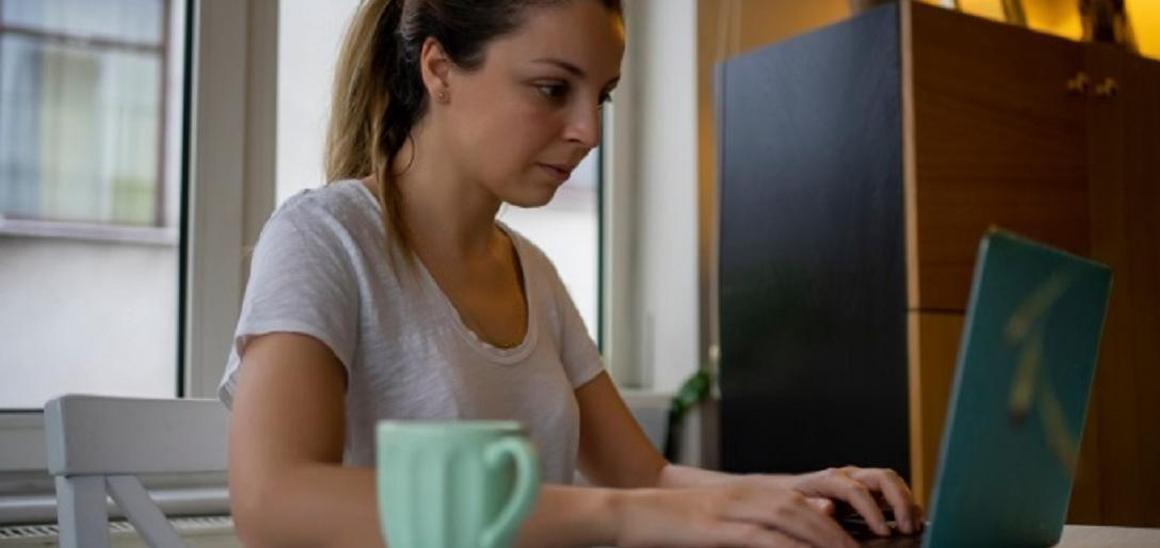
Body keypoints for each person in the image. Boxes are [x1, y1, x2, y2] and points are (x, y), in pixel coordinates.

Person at [221, 0, 923, 546]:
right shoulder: (324, 240)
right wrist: (618, 518)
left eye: (603, 96)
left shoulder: (533, 272)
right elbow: (273, 502)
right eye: (553, 88)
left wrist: (801, 492)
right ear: (438, 69)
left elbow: (645, 475)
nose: (589, 130)